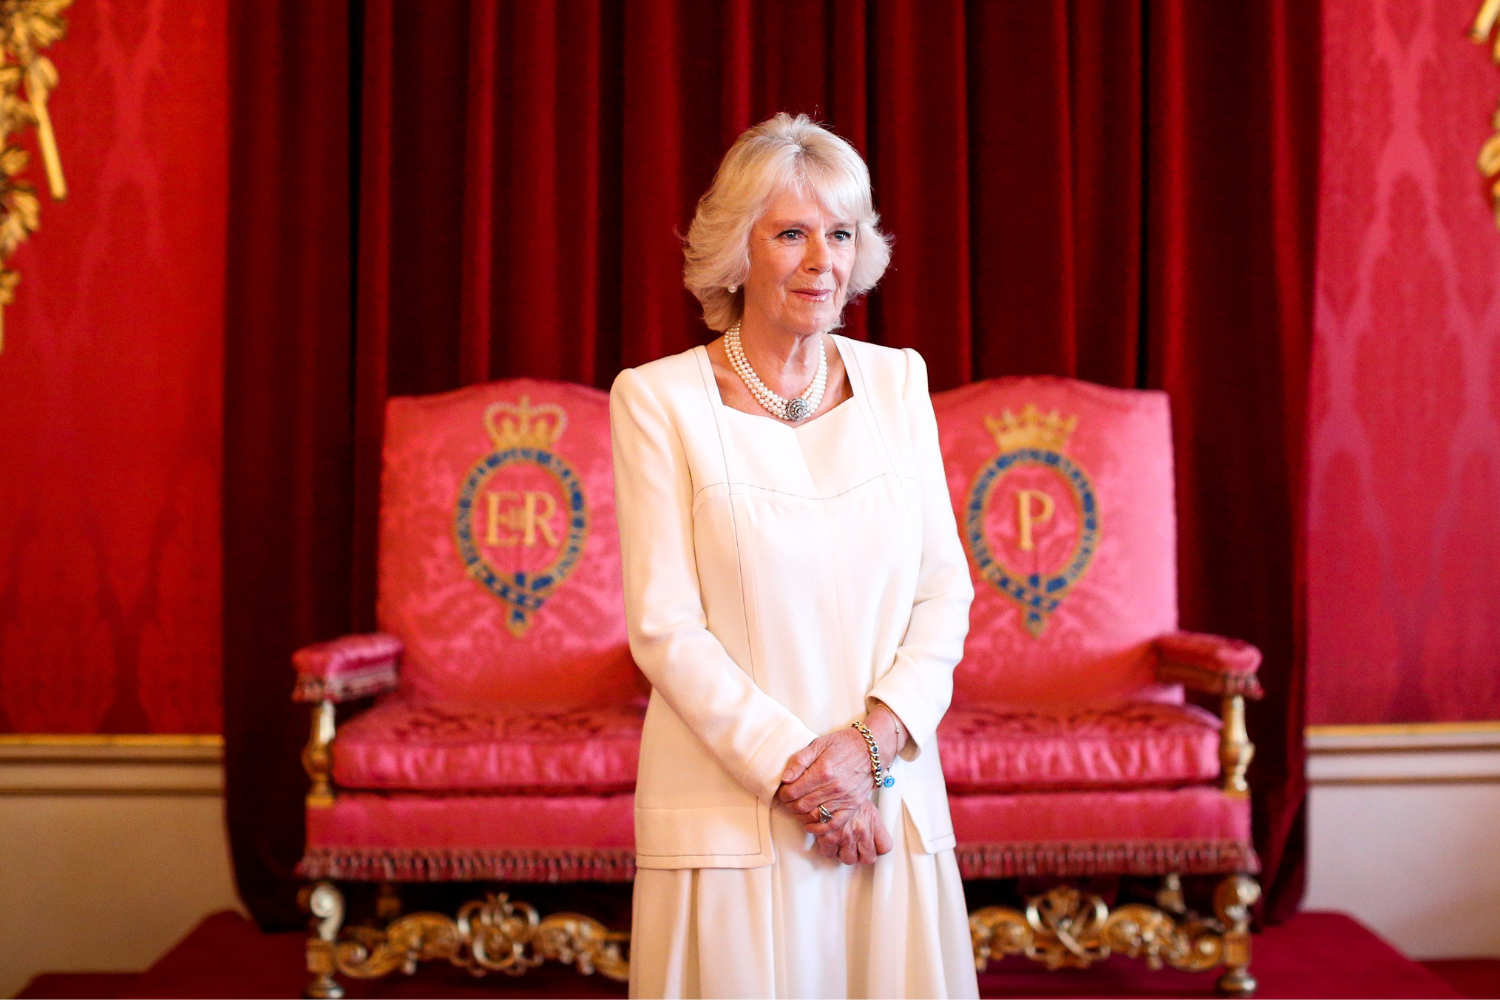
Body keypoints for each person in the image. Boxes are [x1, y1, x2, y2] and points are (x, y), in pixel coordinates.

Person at [611, 112, 978, 999]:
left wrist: (869, 754)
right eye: (792, 233)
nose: (823, 260)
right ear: (739, 252)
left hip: (885, 802)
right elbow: (666, 629)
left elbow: (944, 594)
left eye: (841, 234)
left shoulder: (899, 382)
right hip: (733, 812)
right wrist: (807, 776)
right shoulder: (657, 401)